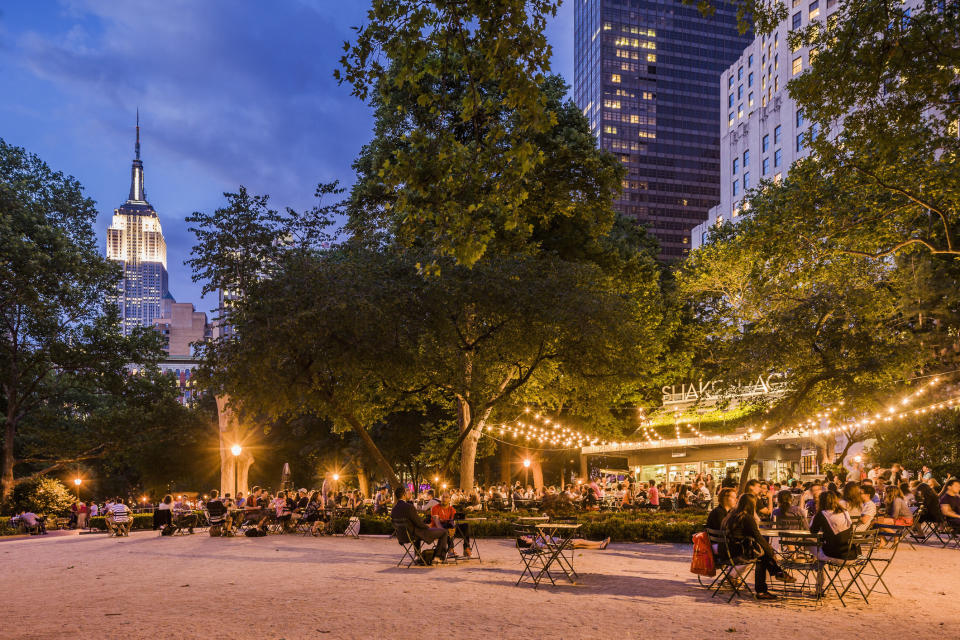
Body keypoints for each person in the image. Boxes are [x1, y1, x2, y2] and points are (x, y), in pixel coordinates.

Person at [721, 493, 795, 600]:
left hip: (727, 552)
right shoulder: (746, 518)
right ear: (752, 505)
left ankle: (775, 576)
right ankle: (771, 580)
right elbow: (758, 537)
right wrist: (771, 552)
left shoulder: (731, 515)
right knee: (762, 556)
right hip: (738, 554)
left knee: (762, 554)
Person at [809, 489, 858, 594]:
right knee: (821, 553)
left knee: (809, 543)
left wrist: (815, 516)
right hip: (852, 555)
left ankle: (819, 587)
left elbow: (813, 531)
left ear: (821, 502)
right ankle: (819, 586)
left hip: (838, 556)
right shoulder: (845, 512)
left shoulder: (822, 514)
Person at [391, 486, 449, 565]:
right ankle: (438, 557)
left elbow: (394, 524)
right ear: (404, 495)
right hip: (414, 535)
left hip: (402, 536)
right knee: (444, 532)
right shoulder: (409, 507)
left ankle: (418, 556)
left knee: (415, 531)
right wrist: (427, 526)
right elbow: (418, 523)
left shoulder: (394, 509)